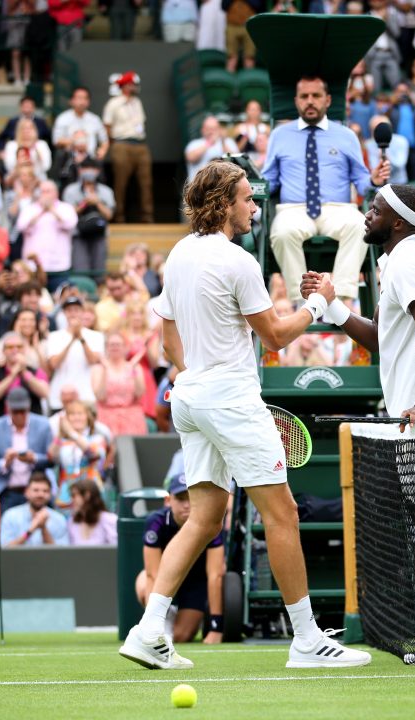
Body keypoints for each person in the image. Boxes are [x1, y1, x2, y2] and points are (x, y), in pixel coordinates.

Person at [121, 159, 368, 671]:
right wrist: (320, 306)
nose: (254, 207)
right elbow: (276, 335)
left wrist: (198, 378)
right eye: (247, 199)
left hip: (190, 399)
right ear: (224, 204)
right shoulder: (238, 262)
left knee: (206, 516)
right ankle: (306, 641)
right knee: (284, 514)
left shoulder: (179, 254)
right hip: (229, 401)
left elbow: (169, 339)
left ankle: (148, 631)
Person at [300, 183, 415, 665]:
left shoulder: (407, 262)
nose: (366, 214)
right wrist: (331, 305)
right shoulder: (397, 261)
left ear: (396, 222)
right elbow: (381, 338)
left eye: (374, 209)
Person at [262, 76, 390, 304]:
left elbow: (361, 179)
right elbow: (269, 180)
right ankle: (303, 301)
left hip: (337, 208)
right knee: (282, 232)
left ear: (328, 100)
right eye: (304, 96)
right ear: (296, 101)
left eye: (316, 96)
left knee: (360, 225)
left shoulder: (346, 135)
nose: (310, 101)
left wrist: (373, 178)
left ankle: (338, 301)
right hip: (294, 209)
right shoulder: (279, 135)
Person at [134, 473, 224, 643]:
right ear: (168, 501)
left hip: (196, 582)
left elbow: (215, 575)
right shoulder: (156, 522)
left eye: (191, 498)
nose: (186, 505)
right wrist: (152, 625)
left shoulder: (211, 524)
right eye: (180, 498)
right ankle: (157, 621)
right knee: (143, 582)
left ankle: (188, 618)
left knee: (181, 636)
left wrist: (216, 627)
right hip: (163, 577)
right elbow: (152, 574)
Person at [0, 387, 54, 511]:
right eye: (15, 412)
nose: (19, 416)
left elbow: (52, 459)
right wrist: (5, 462)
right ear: (8, 408)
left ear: (28, 408)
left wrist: (34, 458)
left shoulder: (43, 425)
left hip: (37, 491)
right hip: (8, 491)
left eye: (22, 411)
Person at [102, 72, 154, 224]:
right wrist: (113, 143)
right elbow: (107, 126)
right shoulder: (114, 103)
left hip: (140, 144)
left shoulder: (137, 102)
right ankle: (118, 217)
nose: (135, 87)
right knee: (120, 183)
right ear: (125, 86)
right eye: (132, 84)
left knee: (146, 183)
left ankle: (147, 217)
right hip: (121, 144)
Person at [48, 399, 108, 510]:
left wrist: (72, 433)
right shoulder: (64, 442)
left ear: (87, 417)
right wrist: (61, 434)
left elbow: (93, 454)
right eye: (72, 414)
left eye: (80, 414)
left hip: (90, 487)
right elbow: (51, 456)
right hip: (68, 490)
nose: (76, 418)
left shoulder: (97, 438)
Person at [46, 295, 102, 411]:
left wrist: (80, 338)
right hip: (59, 395)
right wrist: (72, 339)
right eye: (69, 310)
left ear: (82, 312)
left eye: (76, 310)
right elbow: (54, 363)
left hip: (85, 395)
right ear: (64, 313)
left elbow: (93, 360)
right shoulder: (54, 336)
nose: (73, 314)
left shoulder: (96, 336)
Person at [92, 331, 147, 438]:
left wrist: (133, 369)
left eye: (118, 344)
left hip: (132, 418)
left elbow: (140, 393)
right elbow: (100, 396)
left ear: (126, 347)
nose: (115, 347)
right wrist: (105, 370)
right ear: (106, 347)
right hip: (106, 417)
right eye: (111, 344)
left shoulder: (134, 367)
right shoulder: (98, 369)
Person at [0, 472, 69, 546]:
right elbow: (6, 550)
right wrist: (30, 531)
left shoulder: (59, 519)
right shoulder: (10, 516)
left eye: (45, 491)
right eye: (36, 490)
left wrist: (43, 528)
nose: (40, 494)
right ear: (26, 492)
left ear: (50, 494)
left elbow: (60, 554)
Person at [68, 478, 118, 545]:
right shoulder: (72, 522)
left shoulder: (110, 520)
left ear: (87, 495)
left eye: (74, 495)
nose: (71, 500)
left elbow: (115, 549)